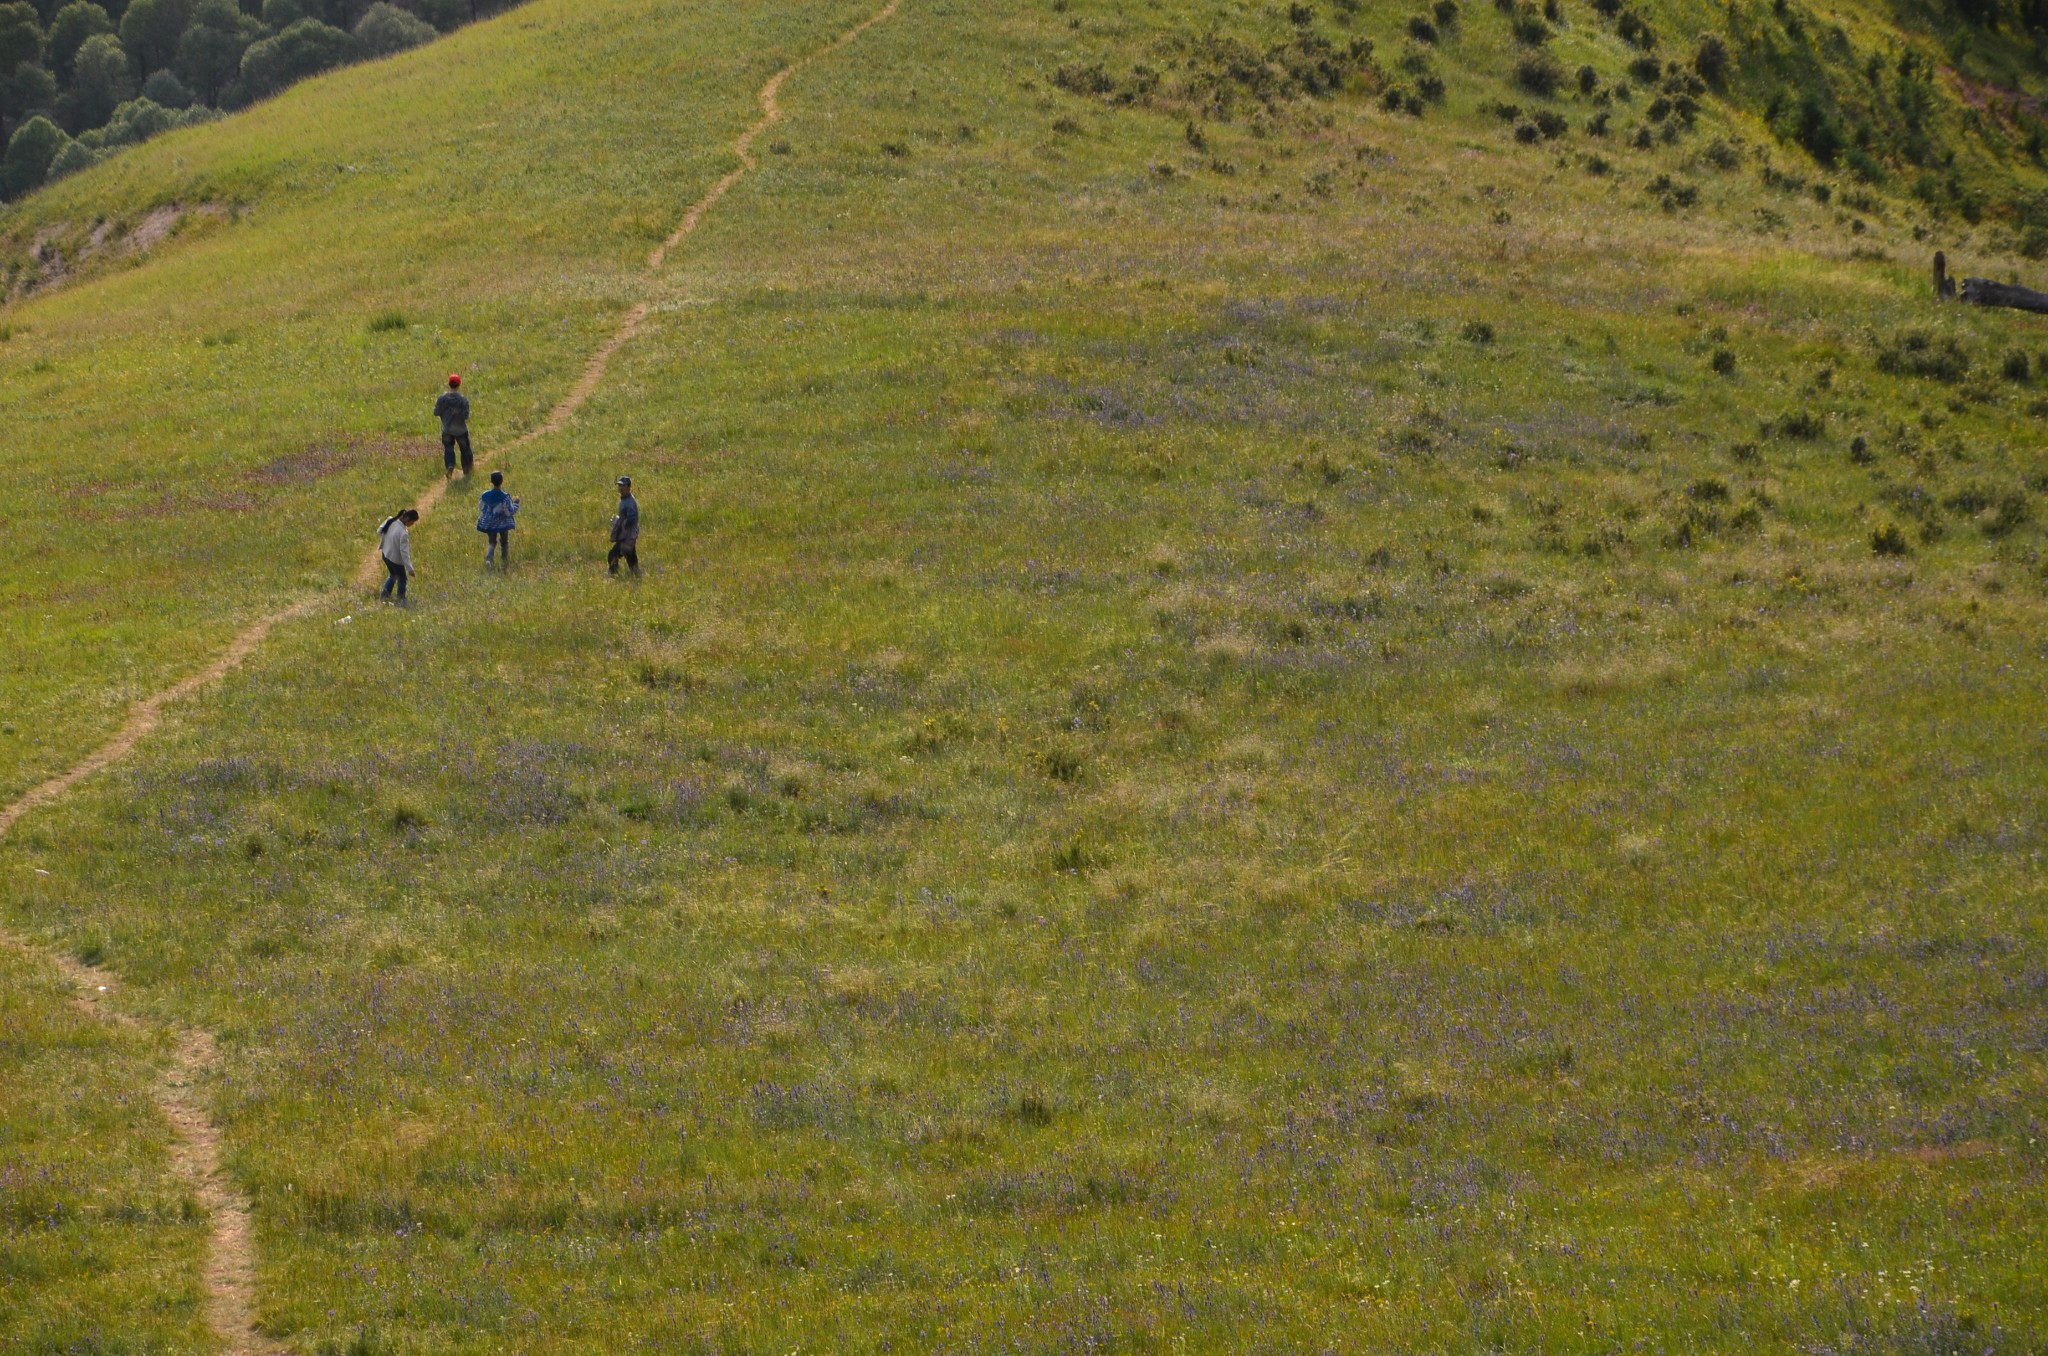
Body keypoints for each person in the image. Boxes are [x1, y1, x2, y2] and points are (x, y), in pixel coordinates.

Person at [378, 508, 420, 604]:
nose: (412, 525)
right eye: (413, 522)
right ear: (409, 520)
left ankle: (384, 595)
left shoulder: (391, 521)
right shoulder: (403, 533)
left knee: (393, 575)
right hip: (395, 560)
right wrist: (410, 569)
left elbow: (379, 531)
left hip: (385, 555)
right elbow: (404, 553)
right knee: (402, 579)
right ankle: (401, 599)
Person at [477, 471, 518, 566]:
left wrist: (489, 514)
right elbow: (509, 512)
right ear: (502, 481)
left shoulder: (485, 495)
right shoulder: (505, 497)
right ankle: (504, 560)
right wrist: (516, 503)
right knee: (504, 541)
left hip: (489, 523)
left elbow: (481, 507)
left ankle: (489, 559)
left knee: (492, 541)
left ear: (491, 481)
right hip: (502, 523)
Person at [435, 374, 473, 477]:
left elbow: (436, 412)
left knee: (448, 448)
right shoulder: (463, 400)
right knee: (465, 449)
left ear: (449, 384)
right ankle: (466, 470)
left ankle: (450, 466)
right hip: (461, 430)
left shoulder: (442, 398)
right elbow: (466, 415)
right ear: (459, 384)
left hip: (447, 429)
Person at [608, 475, 640, 576]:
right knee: (630, 556)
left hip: (627, 535)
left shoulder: (630, 502)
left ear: (628, 487)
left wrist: (621, 525)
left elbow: (632, 519)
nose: (620, 488)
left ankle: (613, 575)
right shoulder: (625, 499)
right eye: (619, 486)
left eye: (622, 486)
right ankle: (637, 576)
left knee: (613, 555)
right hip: (627, 535)